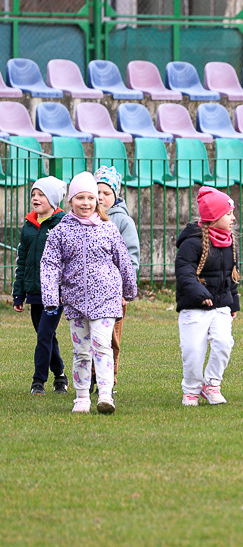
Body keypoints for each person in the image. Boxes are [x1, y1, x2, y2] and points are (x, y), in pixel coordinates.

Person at [40, 172, 137, 414]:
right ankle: (82, 396)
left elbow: (123, 260)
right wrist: (51, 296)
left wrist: (129, 288)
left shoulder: (108, 228)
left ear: (97, 201)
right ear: (70, 201)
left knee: (102, 345)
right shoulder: (61, 231)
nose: (86, 203)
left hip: (105, 299)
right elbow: (50, 264)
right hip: (75, 302)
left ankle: (105, 395)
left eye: (90, 198)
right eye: (80, 198)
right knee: (81, 351)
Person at [174, 186, 240, 407]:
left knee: (223, 343)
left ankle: (211, 384)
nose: (233, 218)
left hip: (220, 306)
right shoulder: (191, 243)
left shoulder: (229, 242)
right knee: (193, 350)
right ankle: (191, 389)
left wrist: (234, 304)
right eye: (229, 213)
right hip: (194, 308)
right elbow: (184, 274)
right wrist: (201, 295)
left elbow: (231, 277)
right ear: (214, 217)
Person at [13, 176, 68, 395]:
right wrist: (19, 294)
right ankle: (60, 375)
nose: (35, 198)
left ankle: (38, 382)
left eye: (41, 194)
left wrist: (65, 290)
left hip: (55, 293)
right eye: (34, 194)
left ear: (53, 199)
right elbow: (22, 262)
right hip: (34, 293)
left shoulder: (63, 224)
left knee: (45, 334)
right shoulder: (28, 226)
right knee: (46, 335)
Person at [94, 165, 139, 385]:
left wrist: (124, 290)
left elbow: (131, 258)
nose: (100, 197)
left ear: (116, 195)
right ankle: (91, 376)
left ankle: (109, 379)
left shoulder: (122, 221)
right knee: (90, 336)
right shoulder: (87, 218)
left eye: (106, 193)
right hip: (90, 291)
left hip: (114, 293)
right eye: (97, 192)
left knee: (111, 338)